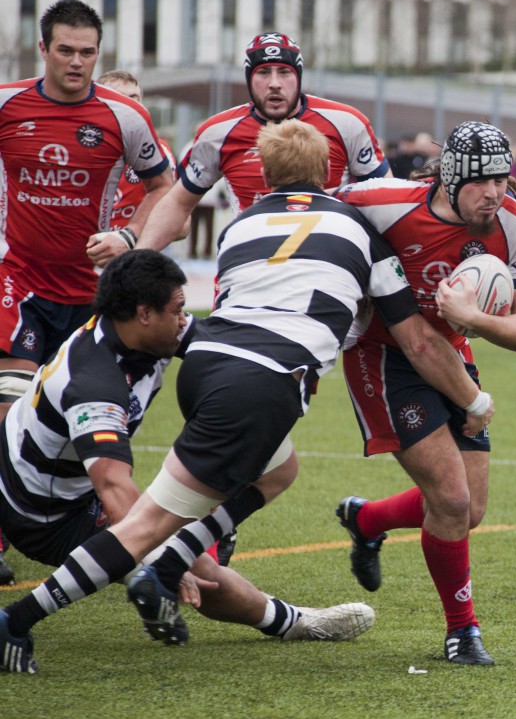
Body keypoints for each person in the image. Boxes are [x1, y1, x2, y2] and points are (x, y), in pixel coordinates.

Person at [0, 119, 491, 674]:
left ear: (263, 175)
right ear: (329, 172)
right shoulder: (357, 227)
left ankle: (173, 562)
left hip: (208, 366)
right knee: (145, 530)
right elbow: (418, 340)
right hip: (259, 388)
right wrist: (474, 401)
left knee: (279, 470)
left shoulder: (242, 225)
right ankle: (19, 619)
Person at [0, 249, 375, 644]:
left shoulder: (134, 333)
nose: (185, 319)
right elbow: (113, 489)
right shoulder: (95, 384)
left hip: (37, 477)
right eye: (178, 309)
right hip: (43, 514)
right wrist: (165, 562)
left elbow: (225, 345)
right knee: (195, 569)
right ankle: (295, 623)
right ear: (144, 313)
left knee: (280, 465)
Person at [331, 121, 516, 666]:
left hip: (450, 350)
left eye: (500, 178)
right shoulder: (382, 203)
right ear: (449, 178)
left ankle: (367, 520)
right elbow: (317, 205)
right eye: (479, 181)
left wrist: (473, 319)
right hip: (382, 356)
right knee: (450, 499)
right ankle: (462, 632)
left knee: (468, 510)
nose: (492, 193)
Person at [0, 1, 174, 585]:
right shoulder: (8, 104)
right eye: (66, 50)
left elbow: (164, 189)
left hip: (93, 297)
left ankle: (99, 517)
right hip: (19, 281)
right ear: (43, 49)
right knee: (9, 412)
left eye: (88, 52)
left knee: (99, 423)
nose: (77, 62)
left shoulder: (123, 117)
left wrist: (127, 235)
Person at [139, 31, 389, 247]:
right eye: (263, 73)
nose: (274, 84)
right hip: (247, 263)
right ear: (248, 79)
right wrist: (138, 256)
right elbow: (178, 203)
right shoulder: (218, 132)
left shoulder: (346, 122)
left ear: (299, 77)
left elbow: (387, 196)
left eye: (284, 72)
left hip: (328, 262)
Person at [94, 70, 179, 236]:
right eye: (119, 98)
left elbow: (180, 224)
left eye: (134, 99)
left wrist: (128, 237)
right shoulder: (81, 146)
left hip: (131, 253)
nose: (129, 107)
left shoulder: (158, 151)